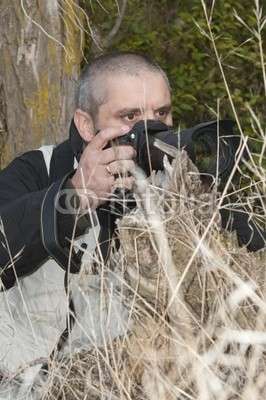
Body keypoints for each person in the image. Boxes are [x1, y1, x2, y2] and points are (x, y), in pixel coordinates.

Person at [0, 52, 265, 374]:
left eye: (161, 113)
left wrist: (205, 202)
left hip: (147, 377)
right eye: (130, 117)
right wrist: (73, 195)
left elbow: (254, 258)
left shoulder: (183, 183)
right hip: (32, 382)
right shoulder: (38, 170)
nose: (151, 128)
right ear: (86, 124)